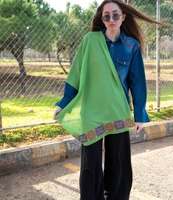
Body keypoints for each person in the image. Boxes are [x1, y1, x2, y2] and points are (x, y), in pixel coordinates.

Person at [54, 0, 166, 199]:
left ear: (123, 17)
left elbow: (137, 82)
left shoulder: (131, 46)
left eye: (115, 14)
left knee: (118, 160)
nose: (111, 19)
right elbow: (76, 74)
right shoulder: (90, 40)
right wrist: (63, 103)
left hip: (117, 111)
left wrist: (139, 115)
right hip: (91, 112)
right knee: (91, 162)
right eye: (107, 16)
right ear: (102, 19)